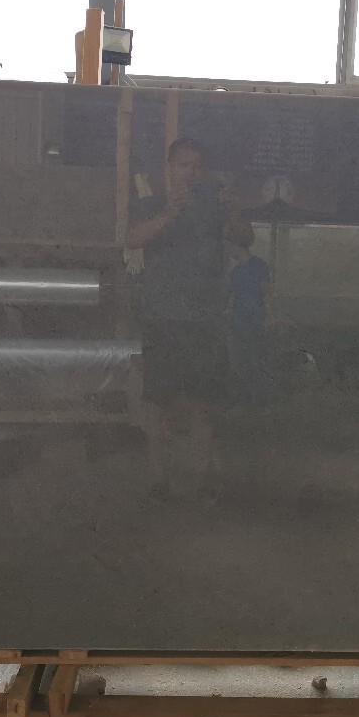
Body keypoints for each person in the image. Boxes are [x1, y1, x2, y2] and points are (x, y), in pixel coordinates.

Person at [126, 138, 244, 497]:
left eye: (197, 166)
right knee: (157, 403)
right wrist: (169, 213)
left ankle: (201, 478)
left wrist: (234, 208)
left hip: (206, 319)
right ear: (169, 168)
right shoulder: (152, 204)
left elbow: (246, 237)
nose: (191, 172)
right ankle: (158, 480)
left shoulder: (216, 208)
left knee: (204, 404)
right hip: (164, 318)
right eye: (183, 165)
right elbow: (131, 239)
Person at [225, 218, 273, 404]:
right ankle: (245, 401)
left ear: (237, 245)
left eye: (231, 246)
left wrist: (268, 318)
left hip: (255, 323)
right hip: (238, 325)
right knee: (241, 363)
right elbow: (232, 297)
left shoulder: (259, 265)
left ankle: (261, 401)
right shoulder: (235, 272)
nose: (229, 251)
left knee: (256, 363)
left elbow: (266, 294)